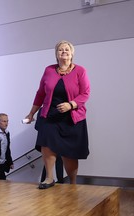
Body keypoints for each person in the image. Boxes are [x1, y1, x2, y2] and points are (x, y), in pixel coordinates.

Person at [25, 40, 90, 189]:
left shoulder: (80, 71)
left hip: (72, 117)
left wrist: (70, 105)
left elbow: (85, 93)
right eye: (60, 50)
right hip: (50, 114)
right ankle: (49, 178)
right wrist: (31, 113)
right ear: (56, 54)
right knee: (47, 145)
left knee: (69, 153)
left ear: (72, 53)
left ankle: (72, 182)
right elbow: (41, 93)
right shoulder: (49, 70)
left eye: (67, 49)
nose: (64, 52)